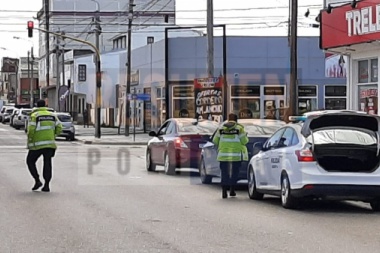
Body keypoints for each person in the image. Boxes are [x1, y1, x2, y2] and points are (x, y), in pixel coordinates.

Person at [26, 100, 62, 192]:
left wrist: (30, 140)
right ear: (46, 105)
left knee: (30, 161)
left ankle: (37, 180)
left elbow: (31, 130)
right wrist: (53, 136)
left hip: (36, 145)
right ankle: (46, 185)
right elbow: (59, 127)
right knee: (47, 163)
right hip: (49, 144)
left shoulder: (35, 116)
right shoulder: (52, 115)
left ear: (37, 106)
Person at [212, 113, 249, 199]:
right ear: (236, 120)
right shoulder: (240, 129)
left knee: (224, 173)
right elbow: (244, 141)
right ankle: (232, 190)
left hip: (223, 155)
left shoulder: (220, 129)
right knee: (235, 173)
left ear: (228, 119)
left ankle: (224, 191)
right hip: (235, 155)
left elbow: (215, 141)